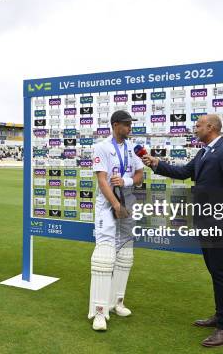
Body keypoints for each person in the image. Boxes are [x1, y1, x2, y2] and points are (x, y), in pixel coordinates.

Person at [142, 114, 223, 347]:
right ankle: (220, 316)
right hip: (205, 224)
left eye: (198, 125)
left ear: (211, 127)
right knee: (215, 271)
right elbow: (183, 172)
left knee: (220, 273)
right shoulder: (203, 152)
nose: (194, 128)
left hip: (220, 225)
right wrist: (156, 164)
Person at [88, 110, 144, 331]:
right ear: (115, 125)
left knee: (126, 254)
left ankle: (117, 302)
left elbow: (140, 177)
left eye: (131, 124)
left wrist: (127, 180)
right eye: (127, 124)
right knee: (104, 256)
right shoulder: (101, 146)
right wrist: (116, 205)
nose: (130, 127)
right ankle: (99, 312)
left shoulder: (134, 148)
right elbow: (102, 181)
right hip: (107, 207)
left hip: (128, 205)